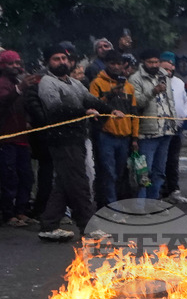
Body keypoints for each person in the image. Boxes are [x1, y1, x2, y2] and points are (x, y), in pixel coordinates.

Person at [24, 45, 120, 241]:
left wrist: (110, 110)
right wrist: (82, 113)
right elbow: (55, 109)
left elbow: (90, 99)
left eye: (64, 59)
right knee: (79, 183)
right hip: (61, 140)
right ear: (48, 62)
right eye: (56, 59)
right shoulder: (47, 83)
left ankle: (49, 226)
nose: (62, 62)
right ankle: (88, 226)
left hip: (77, 138)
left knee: (64, 183)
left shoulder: (74, 84)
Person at [89, 50, 139, 206]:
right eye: (112, 64)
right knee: (107, 172)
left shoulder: (129, 87)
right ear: (106, 64)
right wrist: (111, 94)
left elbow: (134, 114)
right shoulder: (97, 83)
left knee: (119, 173)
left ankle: (115, 203)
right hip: (106, 135)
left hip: (124, 137)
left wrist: (135, 137)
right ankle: (110, 207)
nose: (116, 67)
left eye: (118, 64)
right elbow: (93, 106)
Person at [129, 50, 177, 202]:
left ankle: (154, 202)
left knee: (159, 171)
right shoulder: (135, 79)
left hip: (166, 130)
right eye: (151, 62)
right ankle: (140, 205)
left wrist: (174, 122)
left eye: (156, 62)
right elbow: (136, 104)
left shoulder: (164, 76)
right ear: (143, 62)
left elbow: (170, 101)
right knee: (144, 171)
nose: (154, 65)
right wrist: (152, 91)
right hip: (147, 132)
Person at [0, 50, 35, 227]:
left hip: (22, 137)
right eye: (11, 63)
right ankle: (8, 214)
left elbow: (25, 107)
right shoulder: (3, 83)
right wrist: (19, 89)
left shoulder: (17, 83)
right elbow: (2, 102)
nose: (16, 66)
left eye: (17, 63)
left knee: (26, 176)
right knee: (9, 177)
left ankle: (21, 210)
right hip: (6, 138)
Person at [158, 51, 187, 204]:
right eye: (167, 64)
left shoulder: (179, 82)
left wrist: (185, 114)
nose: (170, 67)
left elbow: (185, 101)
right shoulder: (156, 81)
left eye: (172, 65)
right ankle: (161, 191)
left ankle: (174, 189)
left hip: (177, 127)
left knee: (173, 160)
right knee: (161, 160)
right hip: (161, 128)